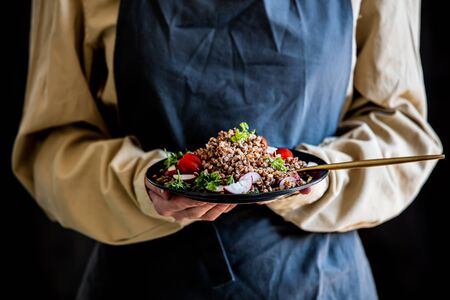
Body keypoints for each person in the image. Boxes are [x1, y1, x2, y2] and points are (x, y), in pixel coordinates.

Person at [13, 0, 442, 299]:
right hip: (146, 281)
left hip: (316, 281)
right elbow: (52, 144)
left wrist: (320, 175)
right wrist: (137, 184)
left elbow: (401, 127)